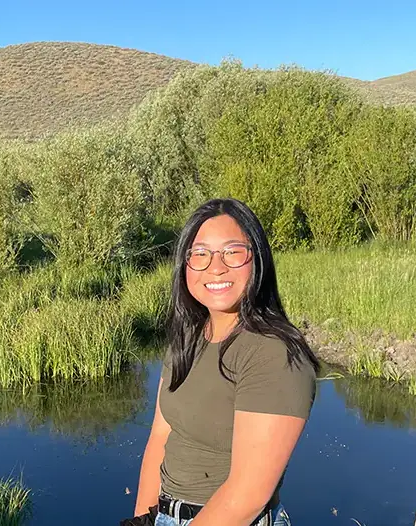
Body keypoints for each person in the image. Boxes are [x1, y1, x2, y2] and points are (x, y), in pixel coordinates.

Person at [130, 198, 320, 526]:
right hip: (164, 516)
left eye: (233, 251)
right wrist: (141, 519)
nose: (216, 267)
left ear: (257, 258)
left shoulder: (273, 353)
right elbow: (161, 436)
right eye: (200, 254)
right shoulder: (187, 337)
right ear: (185, 265)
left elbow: (246, 497)